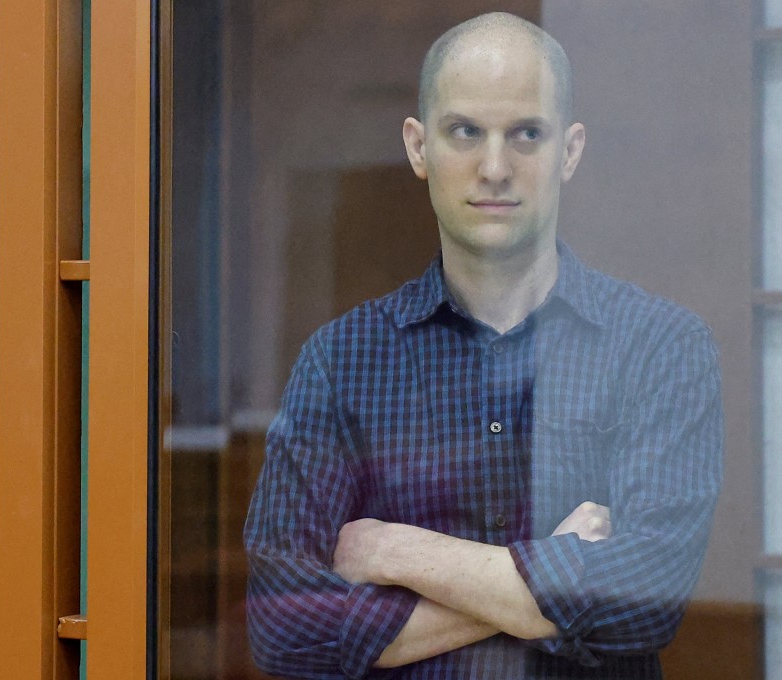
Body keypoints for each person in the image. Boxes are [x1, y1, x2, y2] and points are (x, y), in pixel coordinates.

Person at [244, 12, 723, 679]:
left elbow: (644, 603)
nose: (494, 167)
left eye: (525, 133)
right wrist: (556, 576)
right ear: (418, 147)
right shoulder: (340, 362)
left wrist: (395, 551)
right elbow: (283, 629)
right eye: (465, 131)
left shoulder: (660, 348)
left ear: (570, 151)